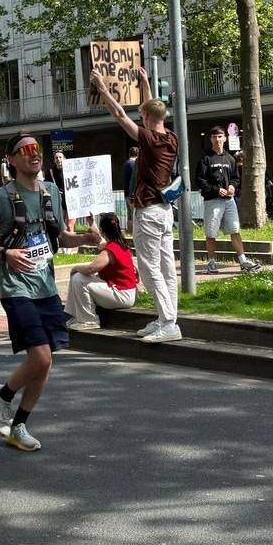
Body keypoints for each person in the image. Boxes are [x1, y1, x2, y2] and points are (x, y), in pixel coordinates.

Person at [0, 132, 102, 453]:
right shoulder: (0, 198)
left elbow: (60, 235)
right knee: (41, 356)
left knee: (45, 364)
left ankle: (18, 425)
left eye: (38, 149)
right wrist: (3, 256)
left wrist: (86, 240)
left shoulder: (52, 192)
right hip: (17, 288)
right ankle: (2, 395)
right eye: (26, 150)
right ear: (12, 160)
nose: (35, 154)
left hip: (46, 286)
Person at [92, 65, 181, 343]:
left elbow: (120, 115)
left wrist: (103, 89)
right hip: (165, 212)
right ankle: (167, 319)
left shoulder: (150, 140)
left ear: (144, 117)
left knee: (149, 268)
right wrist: (145, 82)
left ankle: (168, 322)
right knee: (166, 268)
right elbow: (153, 110)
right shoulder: (170, 138)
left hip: (149, 212)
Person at [197, 126, 262, 274]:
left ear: (225, 138)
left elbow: (235, 178)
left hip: (229, 200)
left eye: (220, 136)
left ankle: (243, 261)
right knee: (211, 233)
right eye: (214, 137)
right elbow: (200, 180)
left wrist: (232, 186)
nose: (217, 140)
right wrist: (215, 189)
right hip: (212, 201)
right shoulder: (205, 158)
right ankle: (212, 263)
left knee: (235, 229)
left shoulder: (230, 158)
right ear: (211, 139)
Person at [65, 212, 136, 330]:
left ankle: (89, 320)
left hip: (122, 295)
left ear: (104, 231)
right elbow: (100, 237)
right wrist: (91, 222)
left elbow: (90, 269)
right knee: (78, 278)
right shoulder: (119, 244)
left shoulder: (110, 249)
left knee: (79, 278)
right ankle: (78, 316)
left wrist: (75, 268)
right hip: (125, 293)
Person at [122, 146, 139, 234]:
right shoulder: (134, 164)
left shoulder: (126, 163)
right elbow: (134, 180)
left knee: (130, 213)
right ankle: (134, 232)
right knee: (135, 213)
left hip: (126, 192)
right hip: (133, 192)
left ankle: (129, 231)